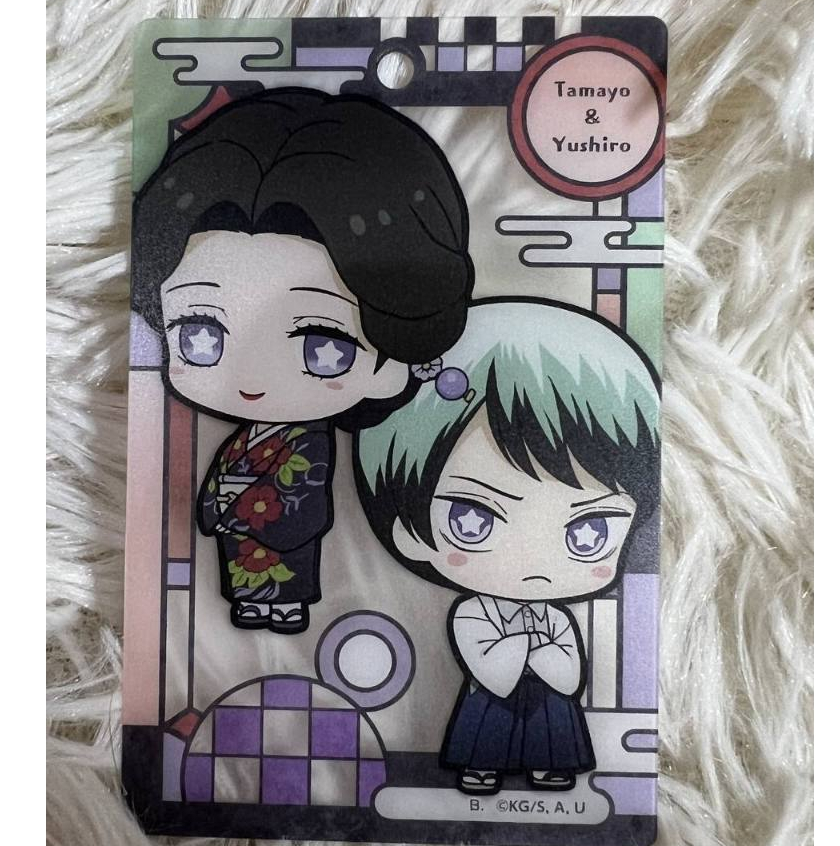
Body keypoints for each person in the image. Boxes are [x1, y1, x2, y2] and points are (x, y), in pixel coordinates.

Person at [131, 88, 474, 633]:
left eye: (322, 347)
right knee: (245, 587)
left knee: (280, 584)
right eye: (201, 334)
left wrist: (231, 504)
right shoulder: (249, 437)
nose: (252, 379)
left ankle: (282, 606)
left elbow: (300, 501)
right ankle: (258, 605)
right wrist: (217, 503)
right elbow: (222, 482)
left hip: (276, 538)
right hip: (242, 543)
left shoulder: (307, 443)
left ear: (390, 361)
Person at [354, 298, 660, 793]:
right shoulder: (473, 613)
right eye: (473, 520)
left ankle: (550, 767)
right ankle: (481, 768)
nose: (536, 562)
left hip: (549, 708)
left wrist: (533, 650)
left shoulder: (554, 618)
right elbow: (493, 675)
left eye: (590, 531)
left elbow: (568, 677)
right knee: (485, 727)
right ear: (410, 531)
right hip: (492, 703)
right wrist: (534, 647)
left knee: (554, 728)